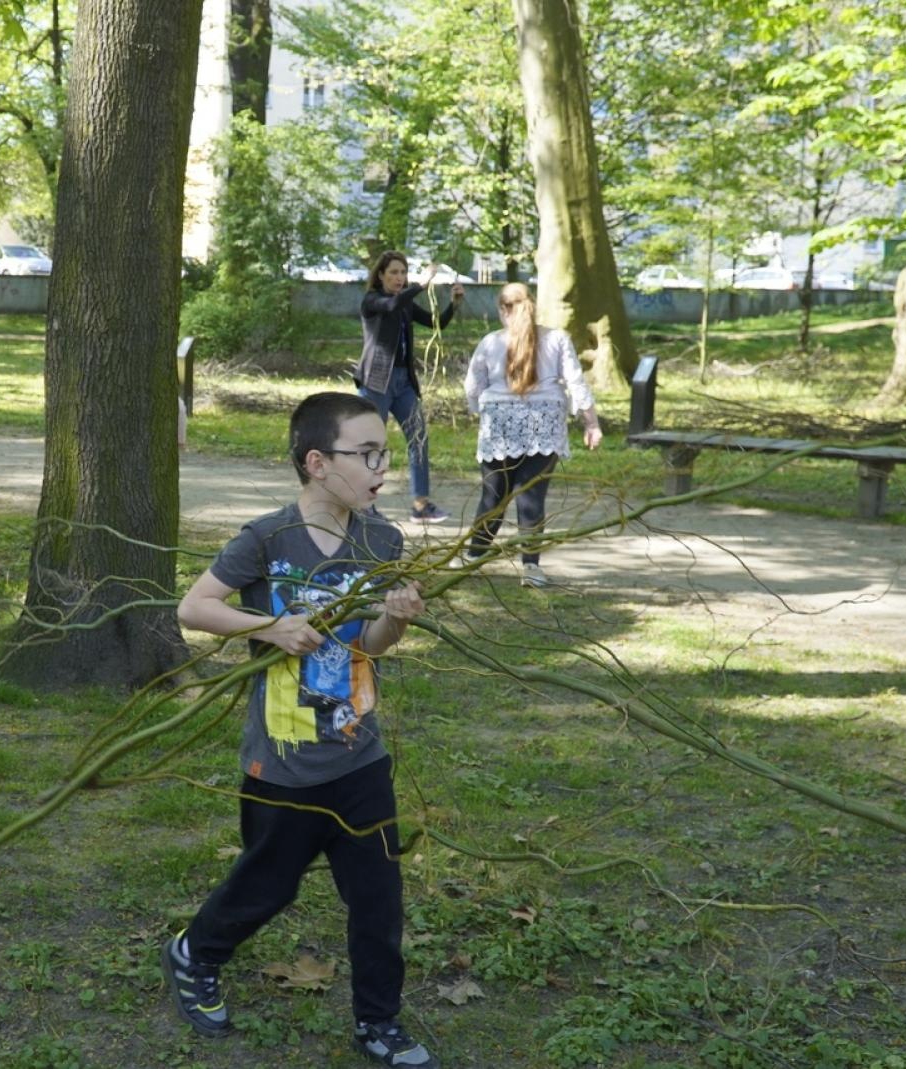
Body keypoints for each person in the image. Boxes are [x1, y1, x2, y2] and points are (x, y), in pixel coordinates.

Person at [164, 391, 438, 1068]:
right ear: (317, 462)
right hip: (283, 760)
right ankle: (194, 952)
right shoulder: (267, 538)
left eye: (386, 453)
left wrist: (396, 618)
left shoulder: (382, 540)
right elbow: (194, 606)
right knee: (269, 884)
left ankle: (379, 1021)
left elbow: (369, 643)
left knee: (378, 895)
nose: (382, 468)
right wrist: (269, 626)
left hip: (358, 751)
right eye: (366, 453)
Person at [461, 282, 601, 587]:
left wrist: (479, 410)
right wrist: (591, 423)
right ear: (532, 305)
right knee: (532, 496)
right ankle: (531, 568)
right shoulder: (558, 339)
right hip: (544, 424)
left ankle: (473, 558)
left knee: (493, 494)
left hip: (499, 423)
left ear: (501, 309)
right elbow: (576, 383)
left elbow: (473, 387)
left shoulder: (490, 342)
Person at [355, 251, 463, 525]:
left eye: (403, 273)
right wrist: (420, 286)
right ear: (380, 275)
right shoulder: (372, 301)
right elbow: (390, 306)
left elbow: (435, 323)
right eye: (393, 273)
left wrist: (453, 304)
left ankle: (421, 505)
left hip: (404, 383)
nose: (399, 278)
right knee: (371, 446)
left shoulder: (404, 303)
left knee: (419, 439)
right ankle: (362, 505)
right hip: (377, 382)